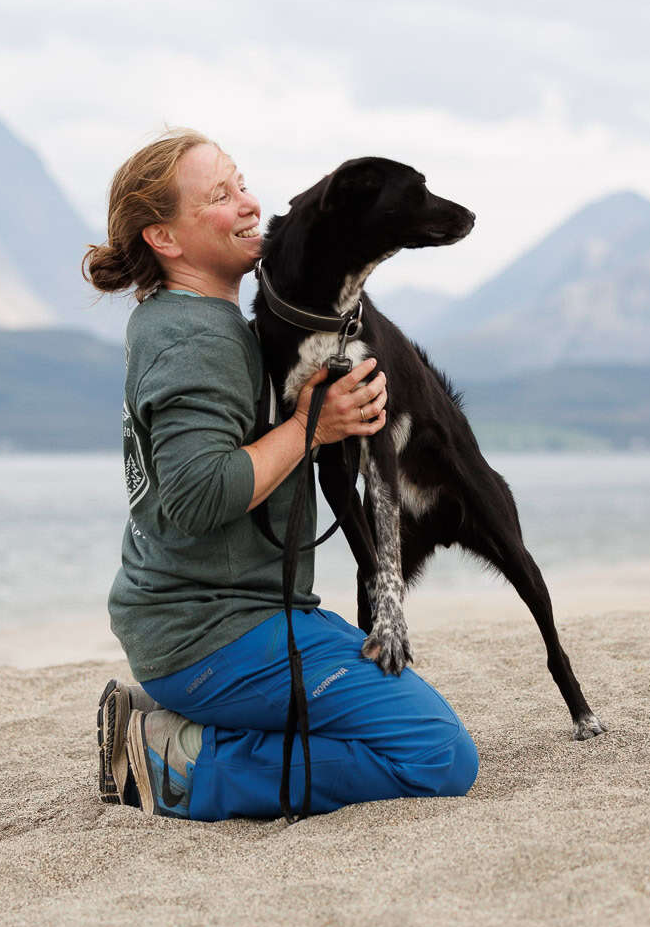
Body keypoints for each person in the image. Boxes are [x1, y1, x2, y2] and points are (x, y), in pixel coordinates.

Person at [81, 128, 479, 819]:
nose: (248, 205)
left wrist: (340, 409)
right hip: (213, 635)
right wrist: (309, 428)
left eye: (241, 184)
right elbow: (200, 495)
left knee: (397, 714)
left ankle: (187, 726)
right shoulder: (192, 340)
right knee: (436, 753)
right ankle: (175, 761)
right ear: (165, 240)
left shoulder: (207, 322)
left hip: (228, 620)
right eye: (219, 196)